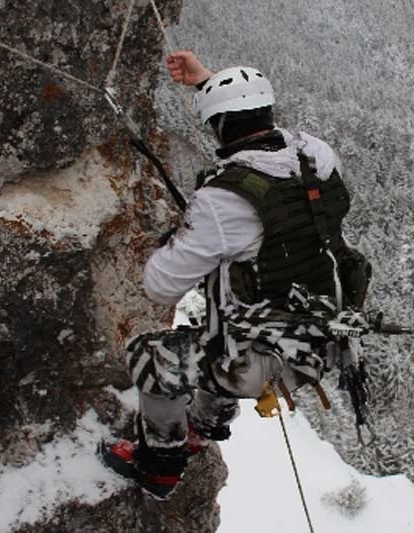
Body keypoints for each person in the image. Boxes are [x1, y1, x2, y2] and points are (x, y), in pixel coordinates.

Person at [100, 51, 370, 500]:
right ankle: (205, 424)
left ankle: (160, 464)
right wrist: (208, 83)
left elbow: (160, 285)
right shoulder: (315, 155)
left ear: (220, 126)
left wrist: (178, 240)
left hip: (264, 360)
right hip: (323, 338)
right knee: (219, 332)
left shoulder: (223, 201)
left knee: (150, 354)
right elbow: (277, 212)